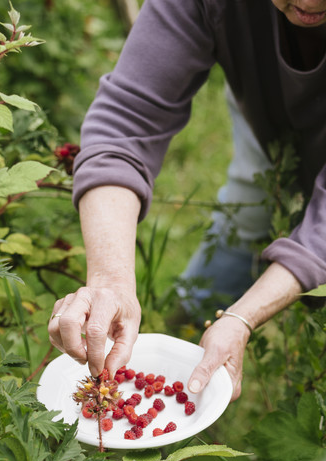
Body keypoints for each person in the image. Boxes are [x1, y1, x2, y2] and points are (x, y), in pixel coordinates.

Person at [48, 0, 326, 401]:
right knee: (248, 208)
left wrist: (244, 318)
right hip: (267, 94)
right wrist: (111, 283)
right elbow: (126, 121)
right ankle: (187, 330)